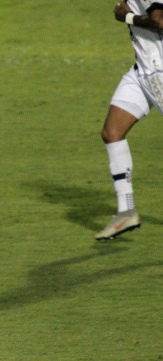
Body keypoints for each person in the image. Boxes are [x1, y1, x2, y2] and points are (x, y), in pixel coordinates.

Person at [95, 0, 163, 240]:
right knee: (112, 131)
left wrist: (128, 17)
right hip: (141, 72)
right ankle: (126, 211)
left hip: (159, 73)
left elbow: (160, 21)